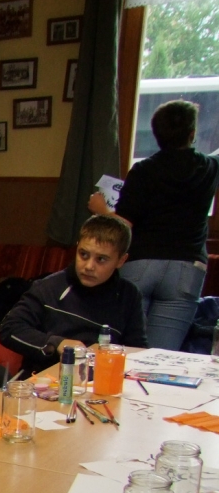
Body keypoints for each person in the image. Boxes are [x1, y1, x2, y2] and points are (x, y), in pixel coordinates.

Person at [88, 100, 219, 351]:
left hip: (141, 263)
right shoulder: (209, 167)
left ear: (156, 135)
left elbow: (125, 224)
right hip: (186, 268)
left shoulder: (143, 170)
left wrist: (100, 209)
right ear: (192, 133)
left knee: (124, 349)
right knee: (160, 356)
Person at [0, 214, 148, 375]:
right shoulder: (48, 287)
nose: (88, 266)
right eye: (83, 254)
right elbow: (9, 328)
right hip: (45, 379)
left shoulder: (129, 295)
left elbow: (136, 351)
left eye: (101, 259)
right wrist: (56, 343)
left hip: (101, 381)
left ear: (121, 261)